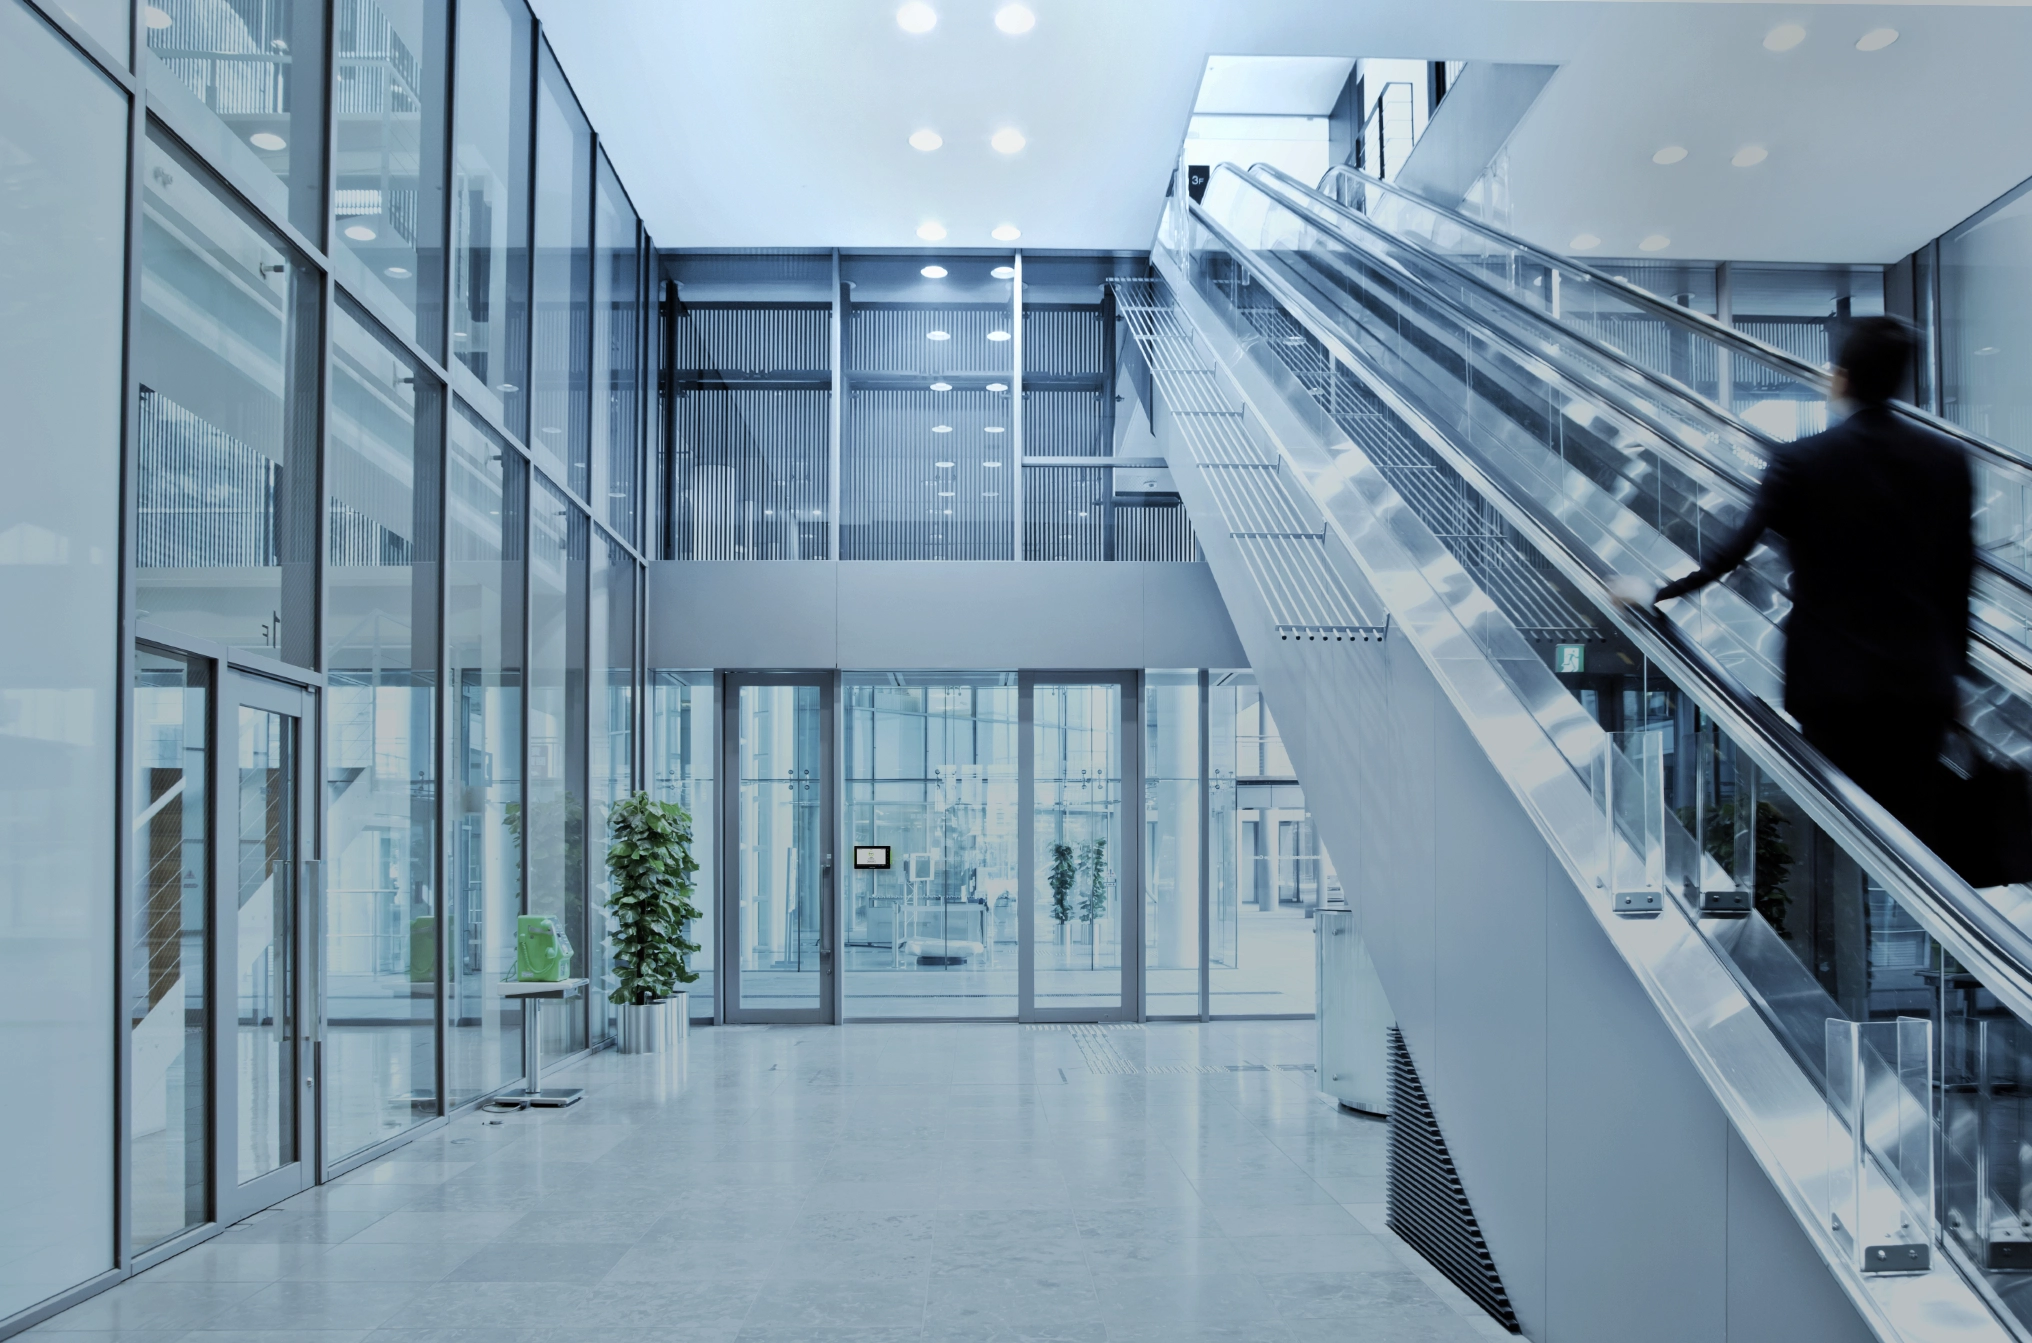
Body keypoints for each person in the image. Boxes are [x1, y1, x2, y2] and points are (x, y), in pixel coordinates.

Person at [1637, 316, 1972, 849]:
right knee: (1915, 837)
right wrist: (1956, 673)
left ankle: (1842, 928)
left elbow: (1732, 551)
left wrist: (1656, 592)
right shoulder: (1947, 461)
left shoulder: (1803, 460)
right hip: (1918, 686)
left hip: (1831, 686)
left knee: (1837, 836)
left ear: (1841, 378)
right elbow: (1958, 577)